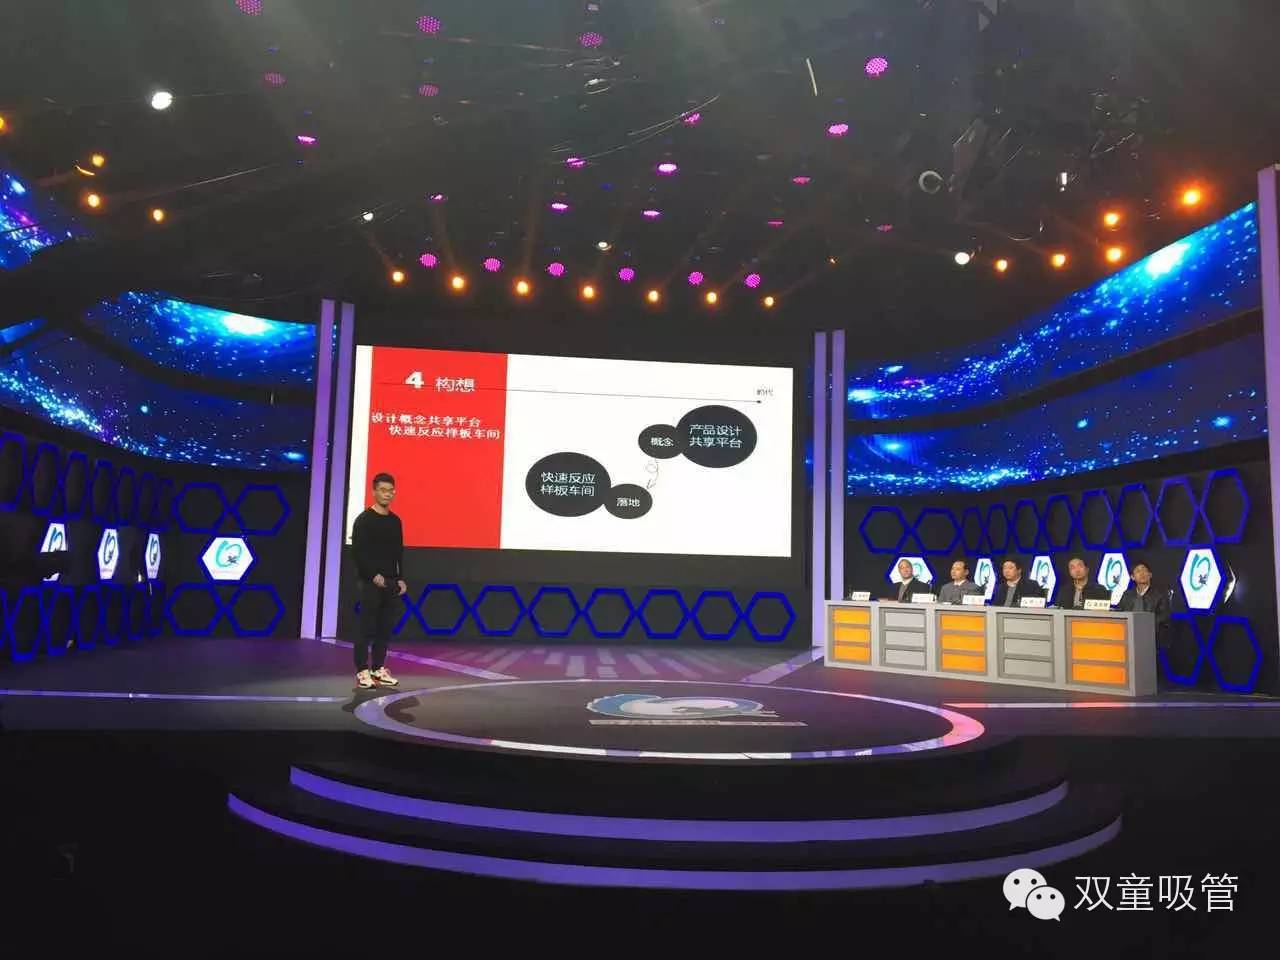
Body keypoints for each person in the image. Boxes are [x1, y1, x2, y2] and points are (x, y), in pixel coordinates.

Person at [349, 472, 406, 689]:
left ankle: (378, 668)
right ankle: (362, 671)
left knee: (385, 627)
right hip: (370, 582)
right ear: (374, 492)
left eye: (390, 490)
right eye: (383, 490)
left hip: (391, 582)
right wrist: (373, 575)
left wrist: (401, 578)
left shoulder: (395, 521)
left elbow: (398, 552)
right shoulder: (364, 520)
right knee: (366, 627)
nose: (387, 494)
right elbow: (358, 553)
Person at [1116, 560, 1173, 647]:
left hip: (1151, 636)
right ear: (1132, 577)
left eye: (1144, 570)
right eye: (1138, 571)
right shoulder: (1127, 594)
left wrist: (1144, 625)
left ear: (1150, 575)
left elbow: (1164, 617)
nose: (1142, 573)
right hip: (1128, 635)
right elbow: (1120, 612)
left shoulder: (1160, 595)